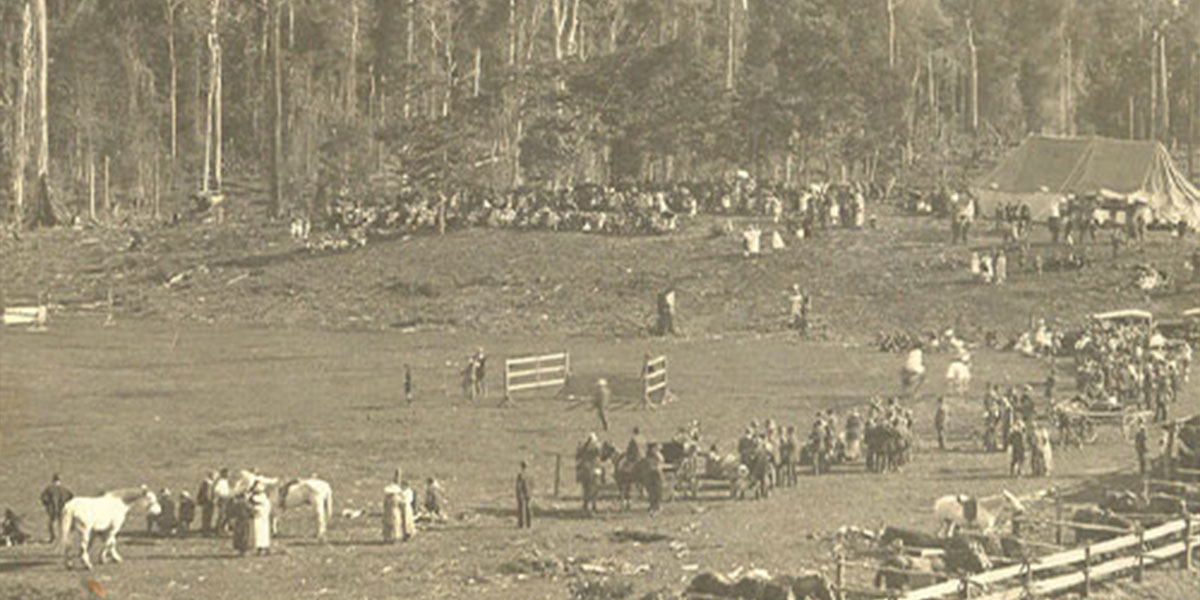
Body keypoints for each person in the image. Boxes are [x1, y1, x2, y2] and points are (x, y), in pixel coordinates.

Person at [40, 474, 73, 543]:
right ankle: (63, 538)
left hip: (53, 510)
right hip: (63, 509)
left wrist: (47, 506)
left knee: (52, 523)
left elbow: (43, 498)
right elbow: (71, 497)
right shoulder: (65, 489)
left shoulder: (49, 489)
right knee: (62, 523)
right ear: (59, 481)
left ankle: (53, 537)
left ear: (53, 480)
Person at [248, 481, 271, 555]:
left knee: (260, 532)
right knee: (260, 532)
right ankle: (262, 548)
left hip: (260, 517)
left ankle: (262, 548)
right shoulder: (263, 497)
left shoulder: (258, 498)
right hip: (261, 517)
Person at [645, 443, 665, 516]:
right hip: (651, 475)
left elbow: (660, 463)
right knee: (651, 491)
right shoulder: (649, 456)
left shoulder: (658, 455)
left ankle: (656, 507)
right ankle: (653, 506)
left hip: (656, 475)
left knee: (657, 491)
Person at [197, 471, 217, 535]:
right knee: (207, 516)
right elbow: (207, 494)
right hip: (207, 502)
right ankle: (206, 530)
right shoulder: (207, 484)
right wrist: (211, 500)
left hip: (207, 502)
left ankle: (206, 529)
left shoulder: (207, 483)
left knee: (207, 516)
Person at [516, 461, 533, 529]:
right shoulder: (530, 475)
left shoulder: (520, 475)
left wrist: (519, 494)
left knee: (521, 509)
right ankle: (529, 524)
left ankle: (521, 524)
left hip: (522, 493)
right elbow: (532, 484)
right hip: (528, 493)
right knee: (528, 508)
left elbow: (519, 486)